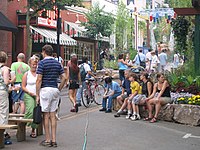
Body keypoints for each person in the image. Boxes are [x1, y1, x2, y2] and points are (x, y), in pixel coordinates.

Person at [36, 45, 66, 147]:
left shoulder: (42, 63)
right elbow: (64, 77)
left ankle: (48, 139)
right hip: (54, 89)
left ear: (44, 51)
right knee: (53, 115)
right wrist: (59, 88)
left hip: (45, 89)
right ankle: (54, 139)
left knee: (46, 115)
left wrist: (37, 94)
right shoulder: (57, 63)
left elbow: (39, 79)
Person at [22, 56, 38, 138]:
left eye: (36, 64)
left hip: (37, 95)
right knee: (30, 110)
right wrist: (29, 92)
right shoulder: (26, 74)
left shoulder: (39, 74)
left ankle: (33, 129)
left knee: (36, 113)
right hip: (29, 94)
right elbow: (23, 86)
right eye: (33, 64)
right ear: (29, 64)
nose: (34, 66)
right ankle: (23, 125)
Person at [0, 51, 12, 145]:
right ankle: (3, 134)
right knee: (3, 112)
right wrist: (13, 80)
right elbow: (6, 82)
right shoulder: (5, 69)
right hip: (2, 92)